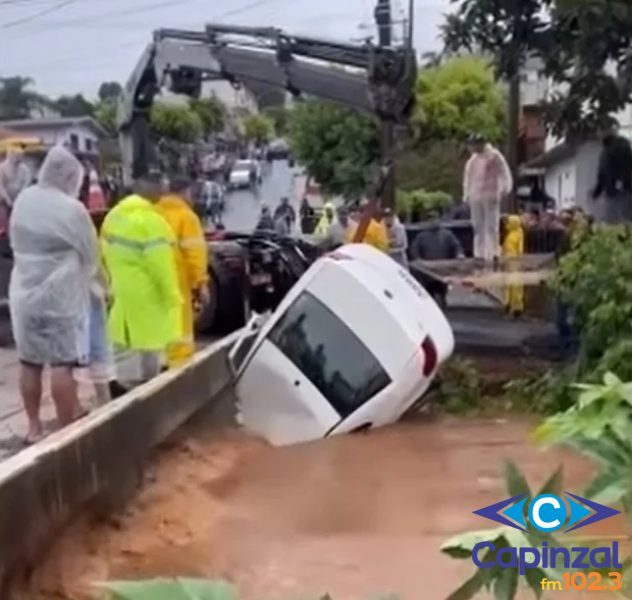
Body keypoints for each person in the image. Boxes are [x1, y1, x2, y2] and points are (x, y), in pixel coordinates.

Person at [9, 146, 97, 443]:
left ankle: (34, 428)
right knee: (63, 363)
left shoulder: (23, 198)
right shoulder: (72, 209)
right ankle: (64, 429)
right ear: (71, 177)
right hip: (60, 297)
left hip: (24, 293)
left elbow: (14, 240)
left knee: (29, 362)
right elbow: (90, 256)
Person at [101, 171, 182, 390]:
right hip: (148, 300)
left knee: (125, 356)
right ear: (154, 191)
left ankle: (122, 397)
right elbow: (161, 266)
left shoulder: (114, 216)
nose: (164, 193)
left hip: (121, 297)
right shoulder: (152, 221)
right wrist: (174, 297)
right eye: (162, 189)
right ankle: (146, 397)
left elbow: (103, 253)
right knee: (150, 356)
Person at [157, 176, 210, 368]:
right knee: (181, 334)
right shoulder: (187, 217)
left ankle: (160, 365)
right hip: (179, 283)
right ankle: (179, 369)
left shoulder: (155, 213)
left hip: (155, 282)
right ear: (186, 192)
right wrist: (201, 283)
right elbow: (194, 253)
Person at [463, 133, 513, 262]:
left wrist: (505, 187)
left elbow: (504, 172)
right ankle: (479, 253)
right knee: (478, 225)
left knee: (491, 225)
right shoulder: (472, 161)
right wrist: (467, 194)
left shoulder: (494, 156)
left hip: (490, 194)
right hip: (476, 195)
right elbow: (468, 178)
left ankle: (493, 251)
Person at [591, 130, 632, 224]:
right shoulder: (627, 150)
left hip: (612, 192)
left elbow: (602, 175)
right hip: (628, 190)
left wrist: (596, 192)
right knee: (628, 221)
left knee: (613, 222)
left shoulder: (605, 154)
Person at [0, 148, 31, 232]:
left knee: (18, 218)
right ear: (10, 156)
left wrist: (21, 195)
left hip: (19, 198)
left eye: (20, 157)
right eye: (16, 156)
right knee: (4, 218)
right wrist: (8, 200)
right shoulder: (2, 168)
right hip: (4, 199)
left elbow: (27, 182)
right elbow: (1, 185)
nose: (18, 159)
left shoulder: (24, 169)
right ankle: (4, 233)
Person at [501, 215, 525, 317]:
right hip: (510, 263)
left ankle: (516, 307)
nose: (506, 224)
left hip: (513, 263)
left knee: (515, 286)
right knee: (509, 286)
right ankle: (509, 305)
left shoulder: (515, 234)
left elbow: (519, 249)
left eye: (509, 222)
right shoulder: (513, 233)